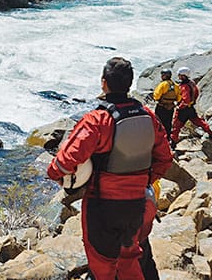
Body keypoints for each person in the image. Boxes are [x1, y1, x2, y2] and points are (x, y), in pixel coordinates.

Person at [47, 57, 173, 280]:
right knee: (130, 259)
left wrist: (56, 175)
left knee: (103, 265)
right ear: (130, 84)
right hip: (139, 203)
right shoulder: (148, 116)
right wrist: (144, 179)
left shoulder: (97, 120)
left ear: (103, 83)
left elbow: (64, 161)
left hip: (103, 207)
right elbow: (165, 158)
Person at [171, 67, 210, 146]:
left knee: (176, 126)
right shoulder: (191, 83)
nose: (178, 76)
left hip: (183, 110)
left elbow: (186, 99)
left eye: (180, 75)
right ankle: (210, 133)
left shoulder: (184, 86)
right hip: (190, 108)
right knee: (199, 122)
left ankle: (173, 143)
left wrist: (180, 106)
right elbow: (196, 93)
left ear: (183, 76)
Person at [151, 69, 178, 135]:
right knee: (168, 123)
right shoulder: (176, 85)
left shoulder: (162, 84)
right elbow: (178, 97)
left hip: (161, 107)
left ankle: (159, 138)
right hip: (171, 107)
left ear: (164, 76)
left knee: (158, 123)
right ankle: (167, 138)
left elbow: (156, 96)